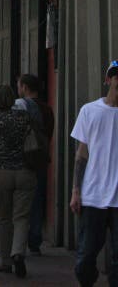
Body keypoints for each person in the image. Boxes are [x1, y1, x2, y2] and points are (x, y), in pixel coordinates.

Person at [70, 60, 118, 287]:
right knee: (86, 257)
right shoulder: (89, 111)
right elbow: (81, 155)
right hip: (93, 196)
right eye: (115, 76)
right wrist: (75, 191)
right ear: (108, 79)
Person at [0, 83, 36, 278]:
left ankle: (5, 261)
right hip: (25, 170)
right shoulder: (23, 116)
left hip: (2, 171)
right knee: (22, 217)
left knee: (4, 218)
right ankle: (18, 253)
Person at [16, 73, 54, 255]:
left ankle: (19, 241)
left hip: (23, 159)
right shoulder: (47, 109)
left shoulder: (20, 107)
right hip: (40, 158)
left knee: (21, 203)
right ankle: (35, 240)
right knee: (37, 200)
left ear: (24, 87)